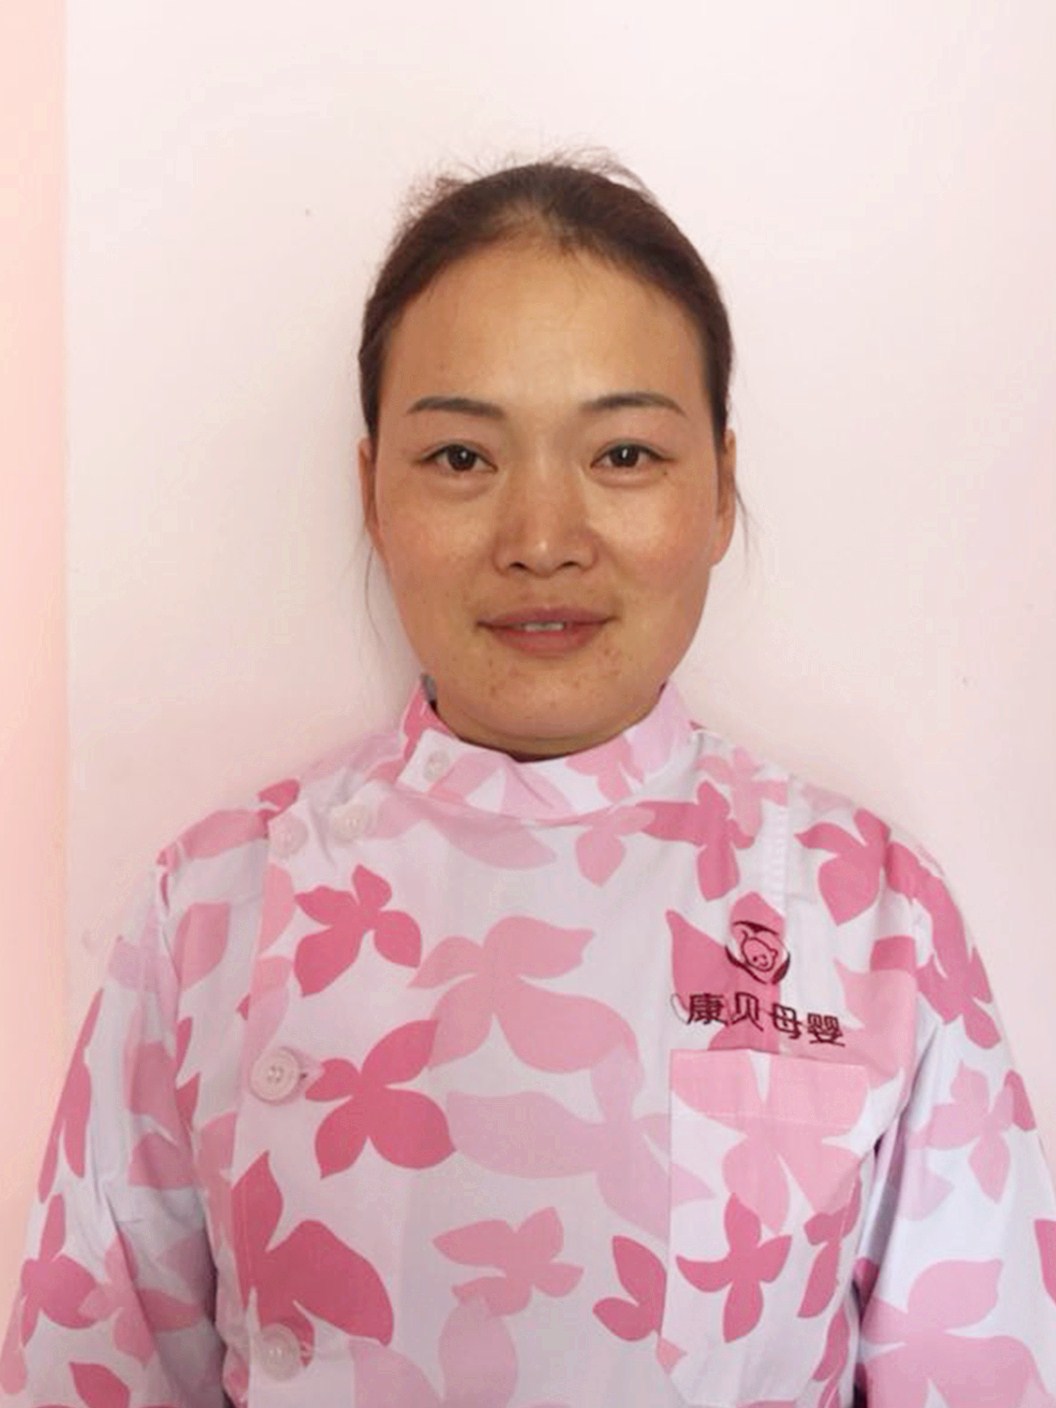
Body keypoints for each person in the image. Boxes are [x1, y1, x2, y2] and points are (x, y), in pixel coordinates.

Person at [3, 156, 1055, 1408]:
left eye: (624, 452)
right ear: (370, 494)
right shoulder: (213, 909)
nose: (542, 538)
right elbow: (86, 1371)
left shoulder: (875, 918)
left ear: (721, 490)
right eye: (461, 456)